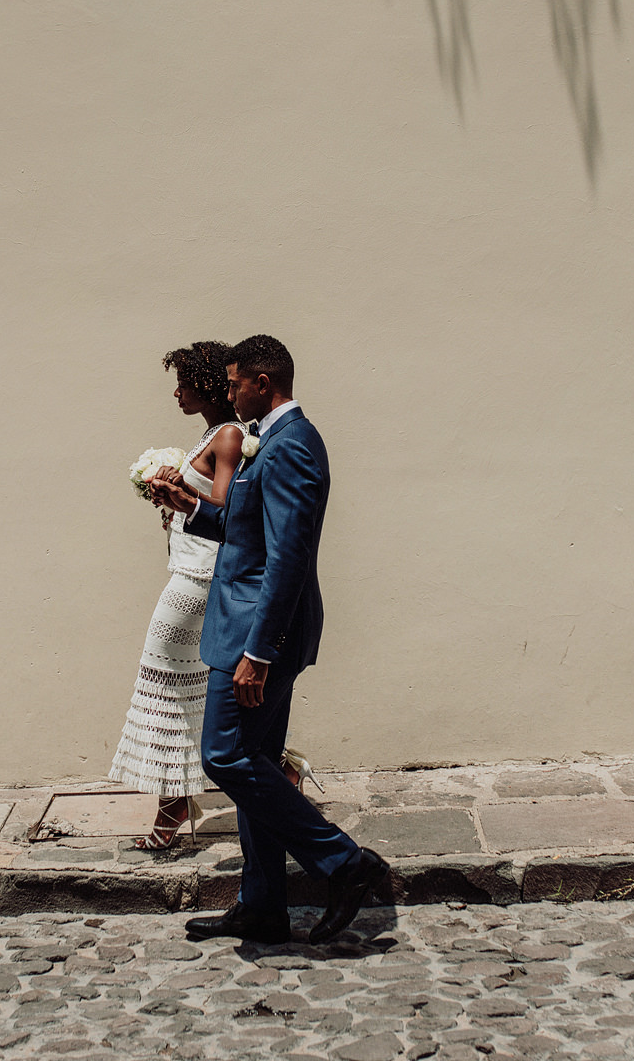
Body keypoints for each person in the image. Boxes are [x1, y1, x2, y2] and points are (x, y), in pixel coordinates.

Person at [151, 334, 387, 945]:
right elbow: (245, 526)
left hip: (256, 634)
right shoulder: (274, 442)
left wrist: (257, 653)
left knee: (224, 757)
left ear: (262, 382)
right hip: (245, 624)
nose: (227, 395)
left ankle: (343, 862)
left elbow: (286, 558)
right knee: (251, 760)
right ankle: (262, 905)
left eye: (233, 384)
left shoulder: (291, 447)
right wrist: (189, 506)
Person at [108, 342, 247, 849]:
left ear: (207, 385)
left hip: (199, 577)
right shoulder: (211, 434)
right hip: (187, 567)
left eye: (185, 382)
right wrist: (170, 490)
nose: (177, 391)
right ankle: (277, 772)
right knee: (188, 683)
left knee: (166, 679)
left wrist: (182, 498)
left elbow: (224, 507)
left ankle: (173, 807)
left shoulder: (229, 434)